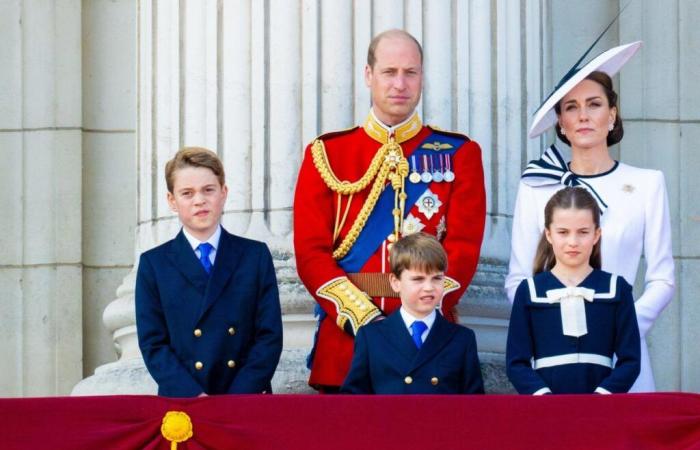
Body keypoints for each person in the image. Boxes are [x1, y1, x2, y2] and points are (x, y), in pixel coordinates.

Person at [294, 29, 486, 391]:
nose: (400, 83)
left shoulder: (460, 153)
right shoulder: (327, 154)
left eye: (410, 72)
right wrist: (365, 319)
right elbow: (310, 253)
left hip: (428, 346)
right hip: (347, 343)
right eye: (389, 71)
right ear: (369, 75)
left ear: (422, 78)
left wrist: (417, 314)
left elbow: (463, 248)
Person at [505, 42, 674, 392]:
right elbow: (518, 280)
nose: (583, 115)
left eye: (594, 104)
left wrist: (619, 329)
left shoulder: (646, 184)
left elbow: (662, 280)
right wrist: (547, 330)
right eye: (572, 107)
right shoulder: (537, 186)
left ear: (612, 114)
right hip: (553, 361)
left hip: (626, 359)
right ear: (561, 123)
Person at [135, 147, 283, 397]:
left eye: (208, 190)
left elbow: (269, 336)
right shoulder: (154, 264)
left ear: (223, 193)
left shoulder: (254, 256)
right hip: (186, 401)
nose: (199, 200)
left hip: (244, 400)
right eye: (187, 193)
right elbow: (153, 344)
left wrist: (238, 398)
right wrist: (193, 396)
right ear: (172, 201)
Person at [507, 187, 640, 395]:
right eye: (563, 232)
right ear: (549, 234)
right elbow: (516, 363)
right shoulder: (529, 291)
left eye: (583, 232)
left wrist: (602, 396)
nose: (573, 242)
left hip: (602, 411)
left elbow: (630, 361)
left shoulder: (617, 289)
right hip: (546, 411)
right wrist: (544, 397)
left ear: (597, 235)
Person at [341, 233, 484, 394]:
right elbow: (353, 401)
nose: (429, 287)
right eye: (418, 279)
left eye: (437, 278)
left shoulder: (462, 339)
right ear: (396, 283)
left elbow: (474, 405)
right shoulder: (371, 337)